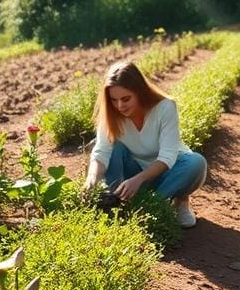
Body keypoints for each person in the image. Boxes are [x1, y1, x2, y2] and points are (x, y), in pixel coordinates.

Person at [85, 61, 206, 228]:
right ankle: (116, 199)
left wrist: (138, 179)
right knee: (114, 146)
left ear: (140, 92)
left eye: (126, 99)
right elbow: (101, 152)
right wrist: (91, 179)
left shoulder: (165, 107)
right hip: (134, 171)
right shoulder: (111, 114)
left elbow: (168, 157)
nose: (120, 106)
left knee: (196, 163)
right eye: (114, 100)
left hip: (169, 173)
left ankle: (166, 202)